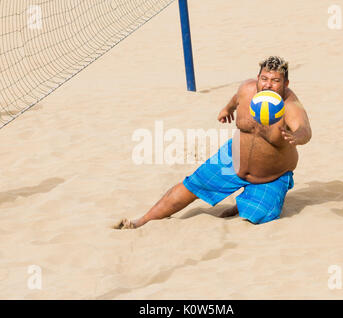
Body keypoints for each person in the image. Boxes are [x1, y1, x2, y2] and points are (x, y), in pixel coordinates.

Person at [115, 56, 312, 229]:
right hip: (232, 159)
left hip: (271, 175)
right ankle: (142, 221)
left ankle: (248, 199)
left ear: (286, 83)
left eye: (275, 81)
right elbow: (236, 99)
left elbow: (304, 129)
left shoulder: (290, 105)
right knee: (191, 186)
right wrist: (227, 109)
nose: (268, 85)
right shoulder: (247, 89)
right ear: (258, 78)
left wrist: (297, 137)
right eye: (264, 79)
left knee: (258, 217)